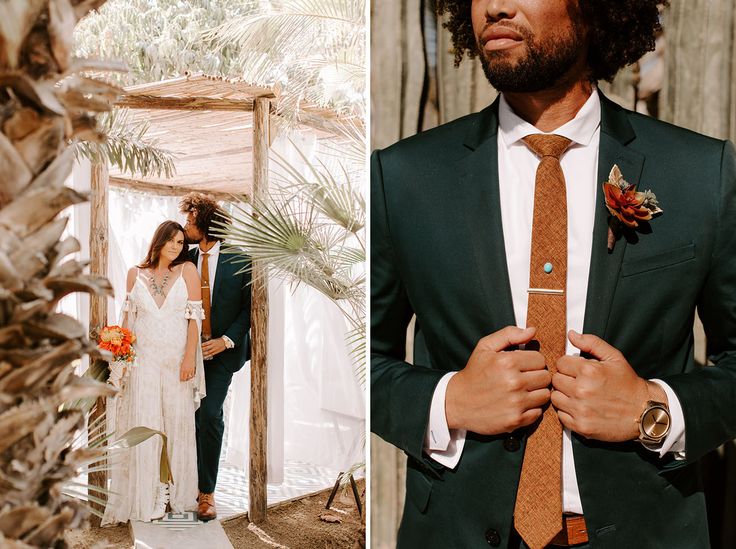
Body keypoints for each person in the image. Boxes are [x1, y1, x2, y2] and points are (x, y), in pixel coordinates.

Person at [371, 1, 736, 548]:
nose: (493, 6)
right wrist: (446, 401)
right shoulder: (403, 177)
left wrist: (652, 411)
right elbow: (360, 362)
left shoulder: (701, 174)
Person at [103, 220, 206, 525]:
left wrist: (189, 358)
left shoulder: (188, 271)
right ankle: (151, 492)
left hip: (177, 362)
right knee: (147, 425)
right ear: (158, 241)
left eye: (180, 243)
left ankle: (175, 492)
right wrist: (119, 360)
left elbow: (195, 319)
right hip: (144, 363)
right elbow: (128, 323)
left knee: (176, 424)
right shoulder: (135, 273)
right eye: (172, 241)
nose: (177, 247)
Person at [179, 193, 252, 522]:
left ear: (206, 223)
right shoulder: (184, 257)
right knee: (186, 418)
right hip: (187, 354)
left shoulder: (241, 258)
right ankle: (185, 486)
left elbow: (252, 309)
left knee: (209, 415)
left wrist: (225, 341)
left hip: (222, 355)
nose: (185, 226)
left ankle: (207, 492)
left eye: (190, 221)